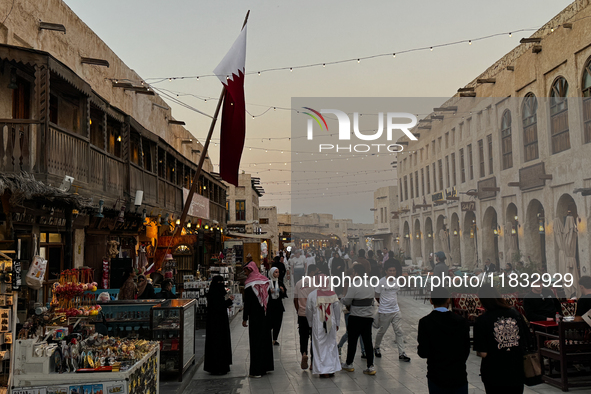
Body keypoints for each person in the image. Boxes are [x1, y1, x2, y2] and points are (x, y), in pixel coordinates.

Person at [474, 286, 529, 394]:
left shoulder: (482, 320)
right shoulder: (516, 314)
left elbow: (483, 353)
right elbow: (526, 339)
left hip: (494, 371)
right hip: (516, 368)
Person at [418, 287, 470, 394]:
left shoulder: (425, 322)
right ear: (449, 300)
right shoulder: (461, 321)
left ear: (431, 301)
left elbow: (423, 352)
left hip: (436, 375)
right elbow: (466, 349)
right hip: (458, 374)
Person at [341, 264, 376, 375]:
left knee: (352, 341)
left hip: (355, 318)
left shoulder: (354, 285)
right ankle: (370, 366)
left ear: (355, 273)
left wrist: (342, 298)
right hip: (368, 318)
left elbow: (347, 301)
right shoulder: (370, 284)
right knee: (368, 342)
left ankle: (349, 363)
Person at [242, 261, 274, 378]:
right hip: (265, 316)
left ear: (251, 270)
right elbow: (268, 301)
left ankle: (257, 370)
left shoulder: (249, 284)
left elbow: (248, 304)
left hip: (255, 318)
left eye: (246, 270)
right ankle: (266, 367)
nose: (244, 273)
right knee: (265, 341)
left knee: (256, 342)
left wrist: (245, 318)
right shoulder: (265, 281)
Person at [306, 274, 342, 378]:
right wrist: (338, 323)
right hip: (331, 322)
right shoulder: (332, 294)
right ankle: (331, 369)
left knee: (319, 346)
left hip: (318, 323)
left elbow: (309, 310)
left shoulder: (312, 295)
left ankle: (322, 370)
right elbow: (337, 310)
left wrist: (310, 323)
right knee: (331, 345)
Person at [374, 261, 410, 361]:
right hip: (385, 311)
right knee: (382, 331)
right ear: (386, 271)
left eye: (394, 271)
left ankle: (402, 353)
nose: (392, 272)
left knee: (399, 331)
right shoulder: (381, 282)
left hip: (396, 310)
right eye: (390, 271)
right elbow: (376, 294)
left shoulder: (396, 281)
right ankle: (376, 347)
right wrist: (381, 304)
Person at [204, 276, 234, 375]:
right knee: (221, 343)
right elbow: (220, 306)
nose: (221, 284)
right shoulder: (216, 295)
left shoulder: (211, 294)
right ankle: (221, 366)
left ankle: (214, 366)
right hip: (220, 323)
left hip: (213, 324)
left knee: (214, 344)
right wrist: (229, 301)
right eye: (220, 282)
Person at [294, 264, 319, 370]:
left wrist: (298, 310)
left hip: (302, 314)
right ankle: (313, 363)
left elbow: (295, 300)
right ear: (312, 272)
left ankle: (304, 353)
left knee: (303, 337)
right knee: (314, 338)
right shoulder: (317, 284)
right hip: (314, 315)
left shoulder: (299, 283)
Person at [267, 267, 286, 345]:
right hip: (270, 305)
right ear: (271, 273)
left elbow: (284, 294)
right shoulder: (267, 283)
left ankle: (275, 339)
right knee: (269, 322)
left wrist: (282, 291)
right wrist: (269, 291)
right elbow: (264, 293)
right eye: (275, 272)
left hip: (278, 305)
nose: (277, 274)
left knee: (278, 323)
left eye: (278, 272)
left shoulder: (280, 282)